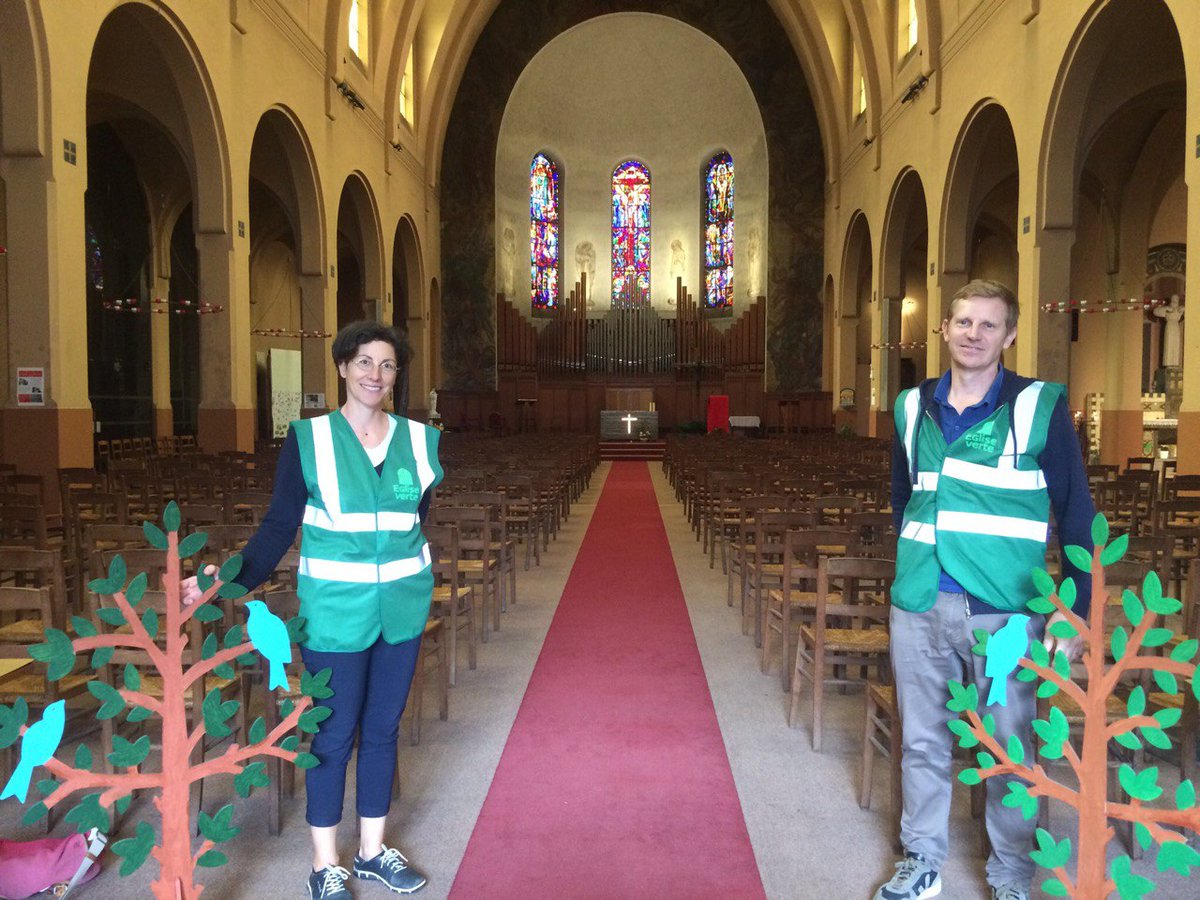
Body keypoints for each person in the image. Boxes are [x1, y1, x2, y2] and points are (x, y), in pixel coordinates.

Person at [182, 321, 443, 899]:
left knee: (382, 729)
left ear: (397, 375)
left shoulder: (421, 442)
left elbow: (414, 519)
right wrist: (225, 579)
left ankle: (373, 852)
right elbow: (280, 526)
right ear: (344, 368)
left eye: (388, 365)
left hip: (401, 610)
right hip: (332, 614)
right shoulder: (309, 440)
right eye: (365, 362)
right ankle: (326, 861)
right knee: (330, 734)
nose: (376, 374)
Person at [875, 280, 1094, 900]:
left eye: (989, 325)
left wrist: (1074, 608)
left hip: (1007, 614)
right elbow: (903, 493)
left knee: (1009, 748)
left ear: (1011, 334)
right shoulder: (911, 405)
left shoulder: (1038, 406)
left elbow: (1076, 513)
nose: (973, 334)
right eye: (963, 322)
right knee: (921, 741)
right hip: (919, 603)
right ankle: (922, 861)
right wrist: (920, 560)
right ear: (944, 329)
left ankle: (1011, 875)